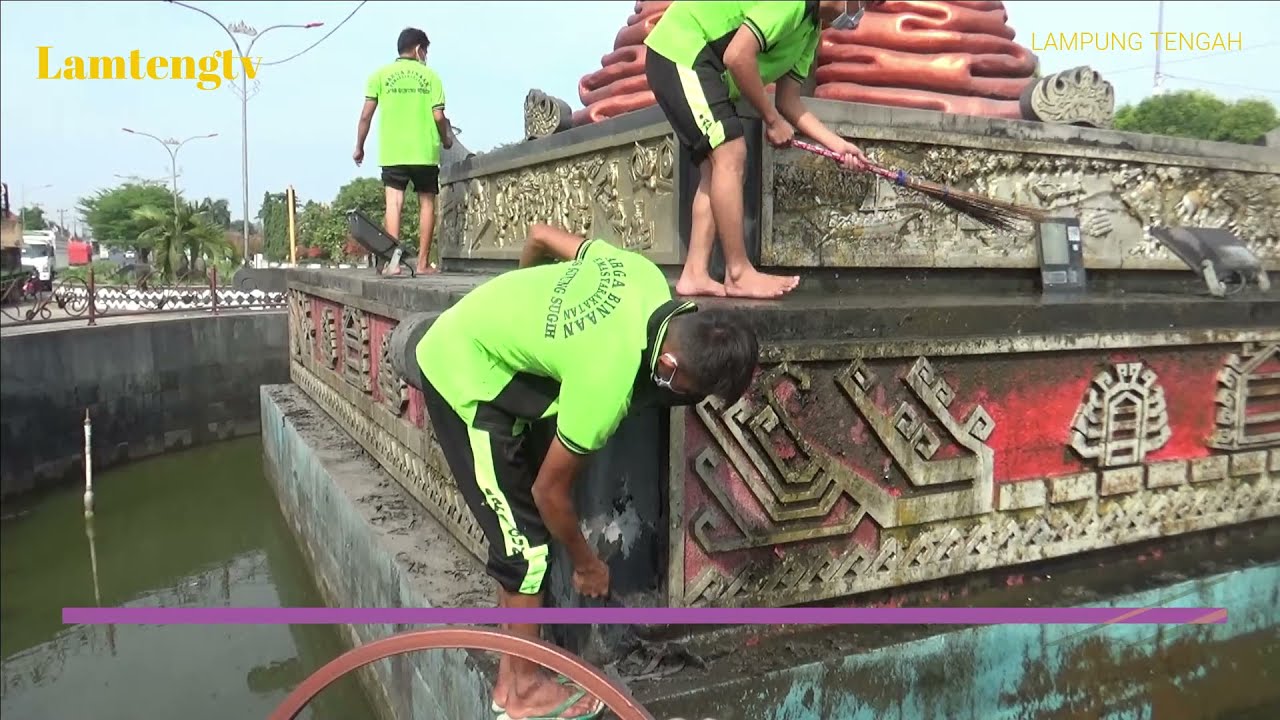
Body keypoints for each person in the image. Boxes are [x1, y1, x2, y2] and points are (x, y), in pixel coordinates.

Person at [415, 224, 760, 720]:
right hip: (464, 377)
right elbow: (549, 492)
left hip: (484, 339)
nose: (679, 398)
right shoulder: (606, 382)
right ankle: (520, 694)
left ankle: (513, 673)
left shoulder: (642, 276)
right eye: (683, 389)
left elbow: (539, 235)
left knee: (518, 546)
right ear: (666, 364)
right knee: (527, 548)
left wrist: (525, 302)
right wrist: (586, 564)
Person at [644, 0, 882, 299]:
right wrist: (771, 120)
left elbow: (789, 101)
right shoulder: (793, 3)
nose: (859, 13)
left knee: (716, 167)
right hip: (682, 50)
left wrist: (840, 145)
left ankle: (695, 273)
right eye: (864, 2)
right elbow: (737, 55)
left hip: (702, 64)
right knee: (731, 153)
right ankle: (738, 273)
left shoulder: (809, 33)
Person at [354, 27, 453, 275]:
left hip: (393, 151)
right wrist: (446, 139)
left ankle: (394, 264)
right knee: (427, 203)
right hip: (424, 151)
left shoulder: (379, 75)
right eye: (426, 51)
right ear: (419, 49)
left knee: (394, 204)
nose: (426, 56)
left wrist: (359, 146)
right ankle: (421, 264)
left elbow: (366, 116)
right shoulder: (431, 77)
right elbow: (439, 116)